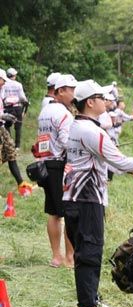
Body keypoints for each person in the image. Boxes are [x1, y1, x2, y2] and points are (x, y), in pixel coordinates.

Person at [64, 79, 133, 307]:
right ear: (90, 102)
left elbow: (111, 161)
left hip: (76, 198)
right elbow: (118, 160)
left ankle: (91, 299)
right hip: (87, 199)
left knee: (87, 250)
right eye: (102, 97)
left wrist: (131, 169)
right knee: (90, 251)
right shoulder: (91, 131)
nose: (107, 101)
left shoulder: (79, 126)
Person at [35, 74, 77, 268]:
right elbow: (66, 142)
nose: (74, 94)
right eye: (71, 89)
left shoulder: (45, 111)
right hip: (60, 165)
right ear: (61, 91)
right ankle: (69, 258)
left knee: (53, 212)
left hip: (44, 165)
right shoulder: (63, 113)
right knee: (68, 212)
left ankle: (56, 256)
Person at [0, 68, 33, 196]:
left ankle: (21, 183)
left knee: (11, 153)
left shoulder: (1, 91)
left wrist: (6, 115)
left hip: (2, 128)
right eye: (3, 80)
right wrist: (3, 116)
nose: (4, 83)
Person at [2, 67, 29, 149]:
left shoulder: (3, 85)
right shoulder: (18, 84)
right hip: (17, 107)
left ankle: (9, 143)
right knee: (18, 127)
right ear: (14, 76)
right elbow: (22, 98)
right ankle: (17, 146)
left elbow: (2, 97)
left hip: (6, 107)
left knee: (6, 126)